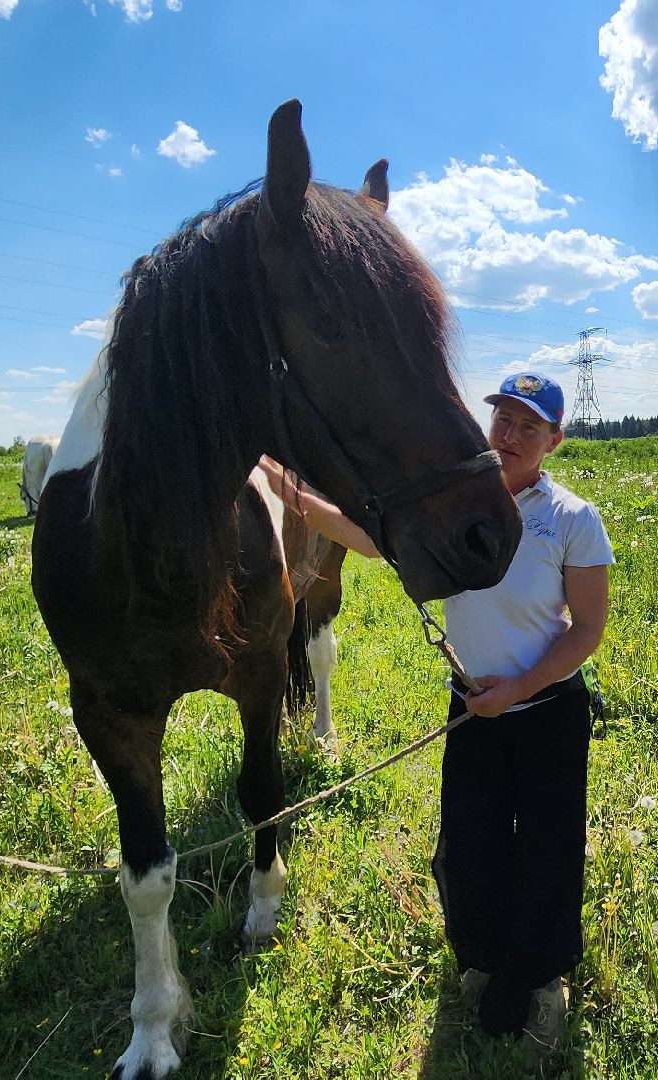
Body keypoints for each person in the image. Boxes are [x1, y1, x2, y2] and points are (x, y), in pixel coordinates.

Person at [258, 371, 614, 1057]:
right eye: (502, 420)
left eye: (528, 427)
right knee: (470, 843)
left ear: (555, 441)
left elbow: (587, 631)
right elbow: (367, 538)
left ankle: (541, 982)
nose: (509, 435)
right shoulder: (455, 505)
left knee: (547, 848)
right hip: (472, 710)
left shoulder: (572, 519)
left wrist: (518, 689)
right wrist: (287, 488)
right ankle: (483, 961)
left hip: (546, 712)